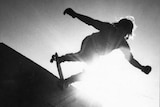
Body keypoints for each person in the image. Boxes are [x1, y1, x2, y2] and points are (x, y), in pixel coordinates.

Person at [51, 8, 152, 87]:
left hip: (96, 53)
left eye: (123, 32)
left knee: (90, 72)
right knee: (83, 56)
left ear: (126, 34)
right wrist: (75, 14)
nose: (119, 33)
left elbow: (130, 59)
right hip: (90, 42)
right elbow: (91, 21)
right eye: (119, 29)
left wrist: (142, 68)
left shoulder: (122, 44)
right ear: (118, 26)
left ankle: (67, 81)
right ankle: (62, 59)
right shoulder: (108, 27)